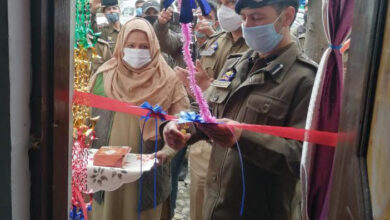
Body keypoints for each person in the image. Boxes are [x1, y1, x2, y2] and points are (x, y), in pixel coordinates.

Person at [162, 0, 318, 219]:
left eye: (256, 18)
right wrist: (181, 126)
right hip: (216, 205)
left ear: (287, 16)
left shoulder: (305, 79)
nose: (248, 26)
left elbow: (304, 157)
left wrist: (242, 139)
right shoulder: (236, 65)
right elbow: (206, 109)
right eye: (244, 18)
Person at [88, 18, 189, 220]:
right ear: (121, 45)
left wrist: (167, 152)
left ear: (154, 47)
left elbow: (184, 121)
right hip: (105, 170)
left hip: (148, 173)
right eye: (131, 45)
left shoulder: (167, 79)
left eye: (144, 46)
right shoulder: (104, 76)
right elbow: (86, 120)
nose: (137, 51)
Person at [174, 0, 248, 219]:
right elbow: (200, 96)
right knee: (199, 208)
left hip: (235, 148)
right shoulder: (214, 42)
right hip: (203, 147)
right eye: (223, 2)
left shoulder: (258, 46)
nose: (226, 8)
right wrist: (192, 88)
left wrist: (206, 87)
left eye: (232, 2)